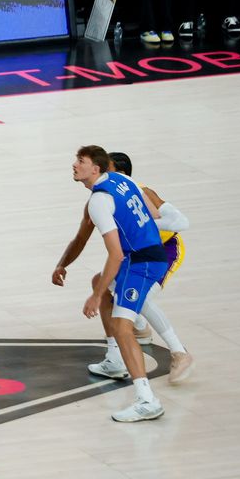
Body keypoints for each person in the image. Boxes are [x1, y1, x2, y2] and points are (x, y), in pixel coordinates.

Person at [53, 150, 194, 381]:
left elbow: (181, 222)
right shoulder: (98, 201)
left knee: (138, 297)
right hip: (134, 254)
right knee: (102, 282)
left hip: (164, 250)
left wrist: (140, 225)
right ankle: (118, 354)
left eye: (105, 169)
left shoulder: (138, 189)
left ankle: (179, 352)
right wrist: (62, 264)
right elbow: (81, 238)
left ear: (118, 173)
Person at [67, 146, 168, 423]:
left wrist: (95, 296)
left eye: (81, 161)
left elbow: (116, 253)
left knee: (123, 326)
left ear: (95, 169)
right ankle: (115, 362)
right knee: (110, 300)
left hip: (141, 261)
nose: (75, 165)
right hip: (150, 253)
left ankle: (147, 400)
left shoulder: (99, 201)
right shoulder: (124, 181)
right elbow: (155, 215)